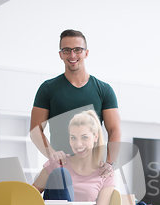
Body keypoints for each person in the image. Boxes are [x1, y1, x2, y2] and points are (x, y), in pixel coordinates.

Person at [30, 29, 121, 176]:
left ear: (86, 52)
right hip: (61, 170)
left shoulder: (104, 90)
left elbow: (114, 130)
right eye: (66, 50)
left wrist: (110, 163)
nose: (72, 55)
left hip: (94, 172)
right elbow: (35, 131)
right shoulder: (47, 89)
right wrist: (52, 155)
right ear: (60, 54)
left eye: (77, 50)